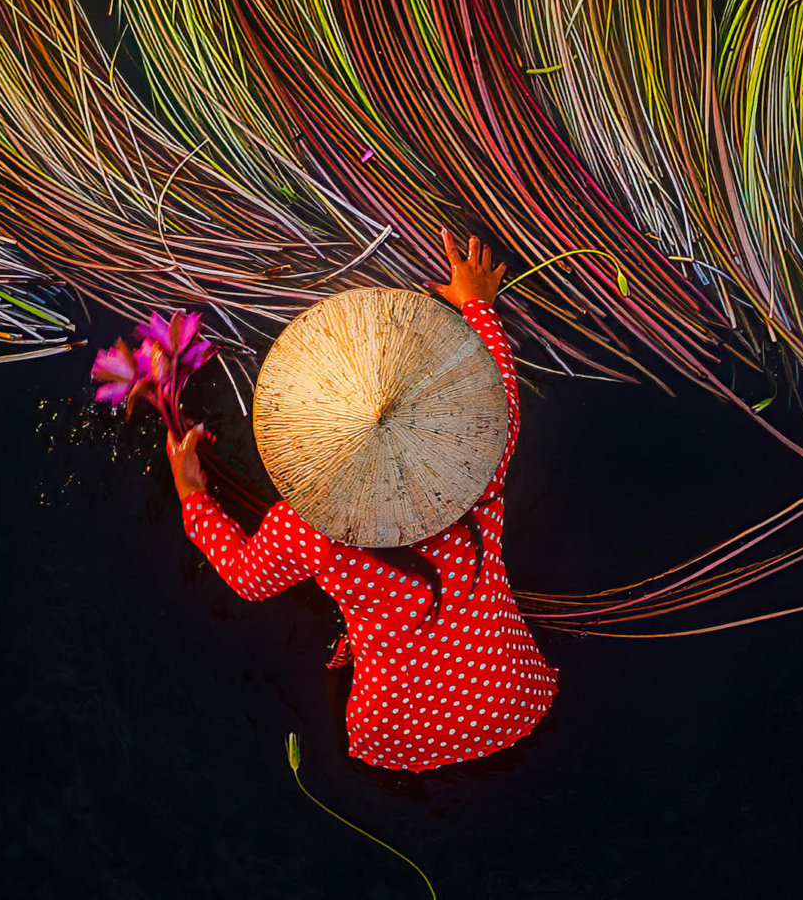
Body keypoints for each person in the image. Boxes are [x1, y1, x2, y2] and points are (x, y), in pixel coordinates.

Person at [166, 228, 557, 773]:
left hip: (397, 725)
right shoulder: (486, 459)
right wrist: (477, 305)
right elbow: (497, 384)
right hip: (512, 694)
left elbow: (246, 578)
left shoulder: (306, 528)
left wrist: (193, 497)